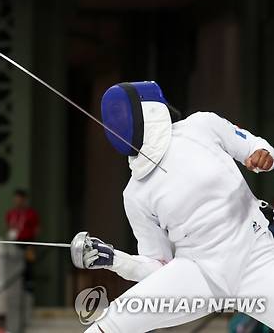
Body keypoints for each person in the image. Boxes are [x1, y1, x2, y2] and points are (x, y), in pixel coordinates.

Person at [71, 81, 274, 332]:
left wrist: (263, 153)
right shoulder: (134, 193)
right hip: (199, 273)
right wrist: (115, 260)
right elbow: (158, 267)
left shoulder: (201, 126)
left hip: (254, 255)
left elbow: (254, 145)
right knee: (108, 325)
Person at [5, 189, 40, 290]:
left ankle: (28, 285)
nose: (17, 202)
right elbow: (8, 227)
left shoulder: (31, 213)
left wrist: (33, 243)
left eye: (20, 200)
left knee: (28, 264)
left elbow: (36, 229)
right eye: (15, 200)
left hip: (28, 242)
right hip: (15, 242)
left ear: (24, 200)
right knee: (14, 264)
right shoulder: (10, 213)